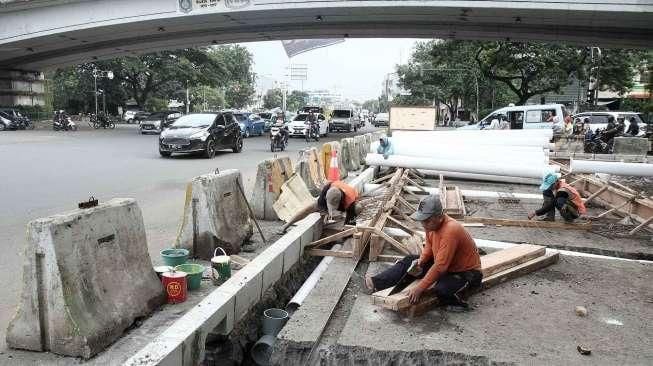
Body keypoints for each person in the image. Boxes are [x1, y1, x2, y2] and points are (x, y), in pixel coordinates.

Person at [364, 195, 482, 311]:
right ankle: (375, 283)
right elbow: (429, 246)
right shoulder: (431, 225)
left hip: (466, 273)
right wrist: (421, 262)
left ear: (439, 217)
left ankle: (459, 302)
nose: (423, 224)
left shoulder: (450, 230)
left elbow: (440, 267)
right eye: (422, 221)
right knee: (409, 261)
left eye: (426, 221)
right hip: (447, 266)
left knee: (442, 290)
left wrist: (419, 288)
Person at [280, 180, 359, 232]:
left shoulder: (350, 199)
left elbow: (350, 222)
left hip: (348, 202)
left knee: (358, 208)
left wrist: (345, 231)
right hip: (333, 197)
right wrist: (326, 214)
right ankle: (286, 225)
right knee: (309, 208)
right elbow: (322, 207)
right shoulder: (327, 188)